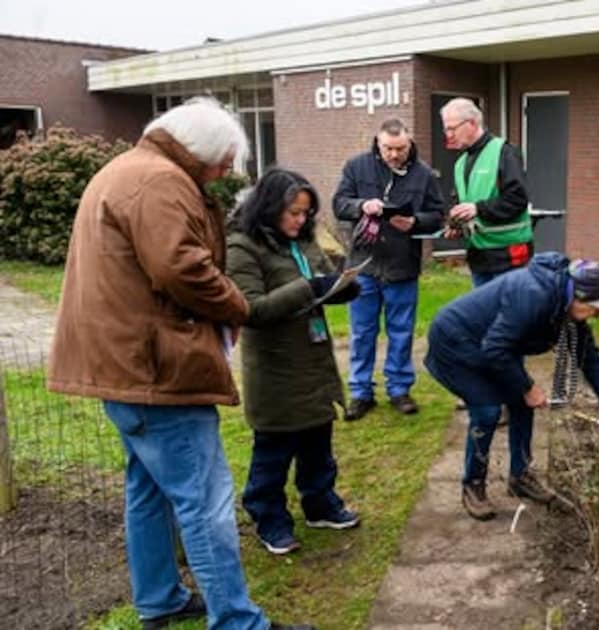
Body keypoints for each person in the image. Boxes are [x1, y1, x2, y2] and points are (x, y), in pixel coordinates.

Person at [46, 98, 311, 630]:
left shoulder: (124, 171)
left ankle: (159, 599)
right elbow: (183, 269)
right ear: (199, 152)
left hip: (121, 370)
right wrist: (239, 307)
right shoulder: (160, 183)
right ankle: (236, 621)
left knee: (146, 489)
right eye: (222, 162)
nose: (224, 175)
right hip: (155, 372)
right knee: (205, 500)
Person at [424, 252, 599, 521]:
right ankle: (473, 484)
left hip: (495, 343)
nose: (596, 316)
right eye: (595, 309)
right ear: (578, 297)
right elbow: (496, 349)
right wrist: (528, 387)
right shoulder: (532, 297)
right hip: (456, 341)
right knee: (487, 411)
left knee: (521, 404)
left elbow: (586, 353)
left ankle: (520, 475)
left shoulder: (563, 300)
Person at [226, 168, 362, 556]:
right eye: (294, 213)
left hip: (313, 359)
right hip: (275, 367)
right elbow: (249, 309)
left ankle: (320, 503)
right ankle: (269, 517)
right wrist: (309, 289)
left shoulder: (301, 241)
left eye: (306, 213)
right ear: (269, 207)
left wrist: (341, 288)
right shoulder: (242, 246)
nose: (301, 221)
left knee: (318, 439)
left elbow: (320, 279)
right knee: (275, 448)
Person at [333, 119, 445, 420]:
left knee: (401, 332)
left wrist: (416, 222)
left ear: (409, 144)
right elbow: (339, 204)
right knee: (362, 332)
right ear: (377, 143)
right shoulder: (356, 167)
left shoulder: (423, 174)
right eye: (388, 149)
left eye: (400, 149)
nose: (394, 155)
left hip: (402, 266)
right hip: (364, 265)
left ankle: (399, 389)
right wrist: (361, 206)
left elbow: (437, 215)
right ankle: (360, 392)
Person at [439, 97, 532, 286]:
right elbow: (462, 202)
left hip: (508, 255)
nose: (448, 135)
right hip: (479, 255)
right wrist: (455, 225)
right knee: (483, 314)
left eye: (452, 128)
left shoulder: (504, 152)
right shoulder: (460, 163)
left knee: (510, 313)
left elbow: (517, 199)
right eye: (445, 129)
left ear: (472, 123)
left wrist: (478, 209)